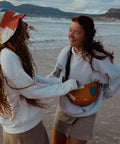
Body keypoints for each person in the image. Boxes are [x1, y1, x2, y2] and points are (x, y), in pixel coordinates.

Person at [0, 8, 79, 144]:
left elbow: (30, 80)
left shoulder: (9, 53)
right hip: (24, 129)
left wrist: (59, 81)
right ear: (12, 30)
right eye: (20, 22)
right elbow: (30, 90)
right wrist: (67, 86)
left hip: (25, 126)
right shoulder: (7, 56)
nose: (26, 25)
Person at [50, 15, 120, 144]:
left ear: (86, 35)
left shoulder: (98, 57)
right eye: (70, 30)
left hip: (87, 112)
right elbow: (54, 76)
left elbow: (116, 75)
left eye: (76, 32)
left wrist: (102, 95)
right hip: (64, 108)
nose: (71, 35)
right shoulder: (66, 52)